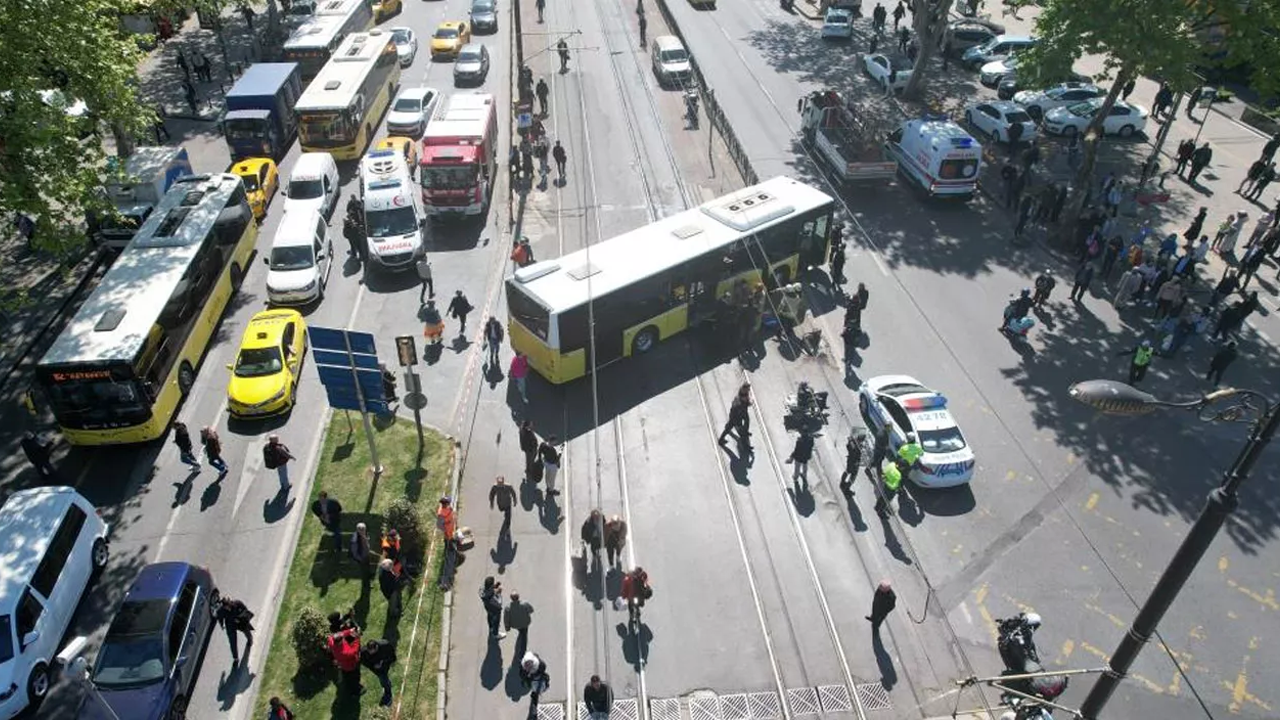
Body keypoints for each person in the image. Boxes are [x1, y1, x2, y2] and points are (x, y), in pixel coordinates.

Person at [216, 596, 255, 665]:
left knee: (246, 630)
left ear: (230, 603)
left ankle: (250, 639)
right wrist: (222, 625)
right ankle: (235, 658)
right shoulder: (221, 610)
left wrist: (242, 617)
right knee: (232, 641)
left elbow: (245, 610)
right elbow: (220, 617)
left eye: (228, 606)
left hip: (240, 621)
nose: (227, 608)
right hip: (230, 625)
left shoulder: (238, 603)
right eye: (226, 607)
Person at [327, 624, 363, 696]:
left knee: (347, 677)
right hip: (351, 666)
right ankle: (356, 690)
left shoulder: (331, 641)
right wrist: (357, 637)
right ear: (340, 641)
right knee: (355, 678)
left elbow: (342, 634)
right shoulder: (345, 652)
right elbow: (355, 649)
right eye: (343, 638)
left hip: (343, 665)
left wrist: (350, 631)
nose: (344, 637)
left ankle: (348, 686)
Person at [361, 638, 397, 706]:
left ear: (376, 647)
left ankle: (388, 691)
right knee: (383, 678)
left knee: (384, 678)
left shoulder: (385, 645)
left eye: (373, 652)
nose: (371, 653)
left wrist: (390, 661)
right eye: (369, 652)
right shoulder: (363, 652)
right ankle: (387, 689)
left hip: (385, 664)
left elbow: (391, 652)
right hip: (376, 669)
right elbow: (365, 663)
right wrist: (373, 666)